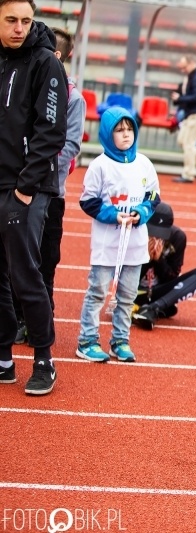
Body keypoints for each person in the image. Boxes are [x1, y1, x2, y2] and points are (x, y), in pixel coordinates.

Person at [0, 0, 67, 395]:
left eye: (25, 20)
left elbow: (51, 131)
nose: (19, 28)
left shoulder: (45, 63)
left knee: (26, 276)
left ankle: (43, 358)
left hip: (28, 188)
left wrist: (25, 188)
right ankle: (4, 358)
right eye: (10, 20)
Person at [13, 26, 86, 345]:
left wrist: (39, 171)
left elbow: (69, 146)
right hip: (20, 185)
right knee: (16, 259)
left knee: (44, 260)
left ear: (55, 56)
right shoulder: (27, 86)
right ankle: (15, 319)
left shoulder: (73, 97)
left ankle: (40, 327)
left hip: (49, 192)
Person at [75, 107, 160, 363]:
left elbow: (153, 196)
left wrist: (141, 212)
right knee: (98, 292)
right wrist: (115, 215)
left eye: (129, 129)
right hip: (107, 243)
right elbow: (87, 201)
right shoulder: (100, 165)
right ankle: (87, 341)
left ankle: (120, 341)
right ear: (107, 133)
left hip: (135, 244)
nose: (126, 135)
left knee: (127, 295)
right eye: (119, 130)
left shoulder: (144, 163)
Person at [131, 202, 196, 330]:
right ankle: (136, 307)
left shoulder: (178, 237)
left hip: (159, 291)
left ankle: (153, 308)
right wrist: (146, 257)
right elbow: (125, 275)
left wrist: (159, 259)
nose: (156, 236)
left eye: (161, 233)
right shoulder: (133, 232)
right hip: (132, 290)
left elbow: (171, 278)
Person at [172, 55, 196, 183]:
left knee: (188, 143)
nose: (183, 71)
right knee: (182, 140)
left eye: (184, 67)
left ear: (191, 64)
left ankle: (189, 174)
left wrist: (180, 99)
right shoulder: (191, 77)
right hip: (191, 114)